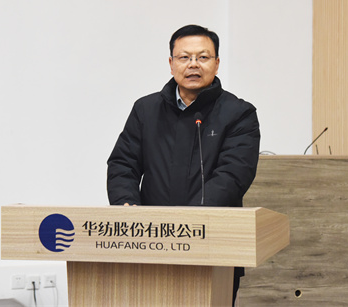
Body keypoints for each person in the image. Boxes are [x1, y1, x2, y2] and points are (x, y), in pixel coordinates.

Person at [106, 24, 261, 305]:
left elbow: (233, 175)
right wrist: (126, 206)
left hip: (212, 244)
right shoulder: (146, 109)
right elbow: (123, 164)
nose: (193, 64)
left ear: (216, 63)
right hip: (150, 242)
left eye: (203, 57)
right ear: (171, 63)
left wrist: (189, 223)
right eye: (184, 57)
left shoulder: (239, 113)